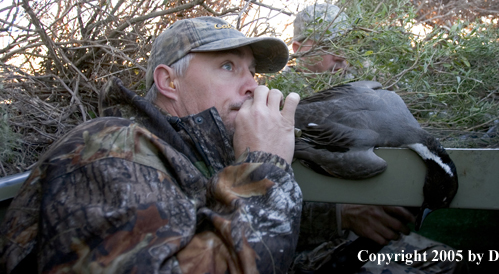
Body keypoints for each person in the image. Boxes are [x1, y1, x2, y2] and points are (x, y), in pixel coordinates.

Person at [0, 17, 302, 274]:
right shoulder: (110, 147)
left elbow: (207, 218)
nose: (253, 85)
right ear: (169, 82)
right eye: (227, 66)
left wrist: (338, 218)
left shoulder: (193, 155)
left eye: (251, 71)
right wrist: (264, 167)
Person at [290, 3, 457, 274]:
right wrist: (341, 214)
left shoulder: (366, 88)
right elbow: (251, 207)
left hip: (359, 235)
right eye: (329, 43)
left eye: (346, 42)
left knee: (450, 261)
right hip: (303, 245)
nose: (342, 55)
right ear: (298, 49)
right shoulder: (273, 100)